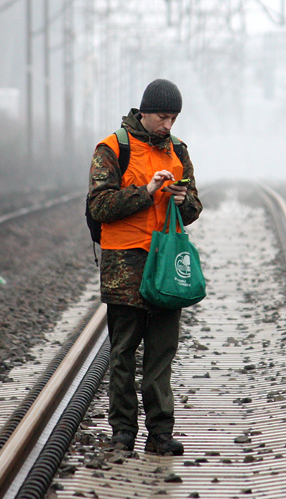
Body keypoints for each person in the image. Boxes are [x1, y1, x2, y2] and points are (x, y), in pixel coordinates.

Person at [86, 78, 202, 456]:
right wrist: (147, 191)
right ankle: (122, 432)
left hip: (166, 265)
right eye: (163, 117)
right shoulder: (113, 149)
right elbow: (99, 207)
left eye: (173, 118)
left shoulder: (178, 151)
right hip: (125, 265)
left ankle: (160, 434)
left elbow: (194, 209)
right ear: (144, 112)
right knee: (122, 353)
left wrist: (183, 200)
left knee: (161, 352)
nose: (168, 125)